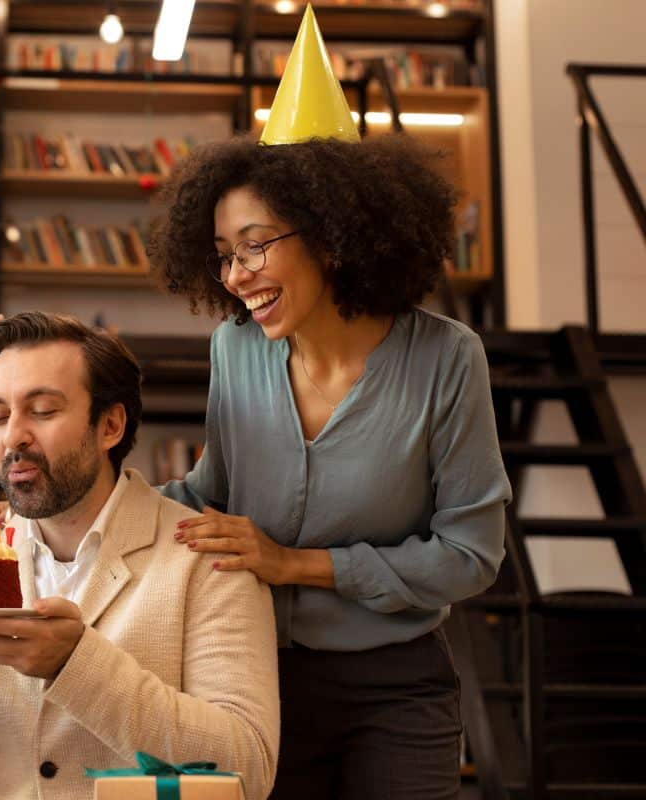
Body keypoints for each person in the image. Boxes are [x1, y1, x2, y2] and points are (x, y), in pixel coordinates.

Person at [147, 8, 512, 799]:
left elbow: (470, 554)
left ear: (335, 235)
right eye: (222, 256)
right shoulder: (236, 350)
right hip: (254, 677)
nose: (236, 275)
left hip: (400, 687)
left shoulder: (447, 360)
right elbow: (211, 493)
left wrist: (297, 565)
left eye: (255, 245)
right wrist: (91, 495)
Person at [0, 312, 280, 800]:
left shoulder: (205, 557)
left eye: (41, 410)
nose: (12, 437)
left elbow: (246, 769)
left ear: (111, 426)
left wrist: (75, 666)